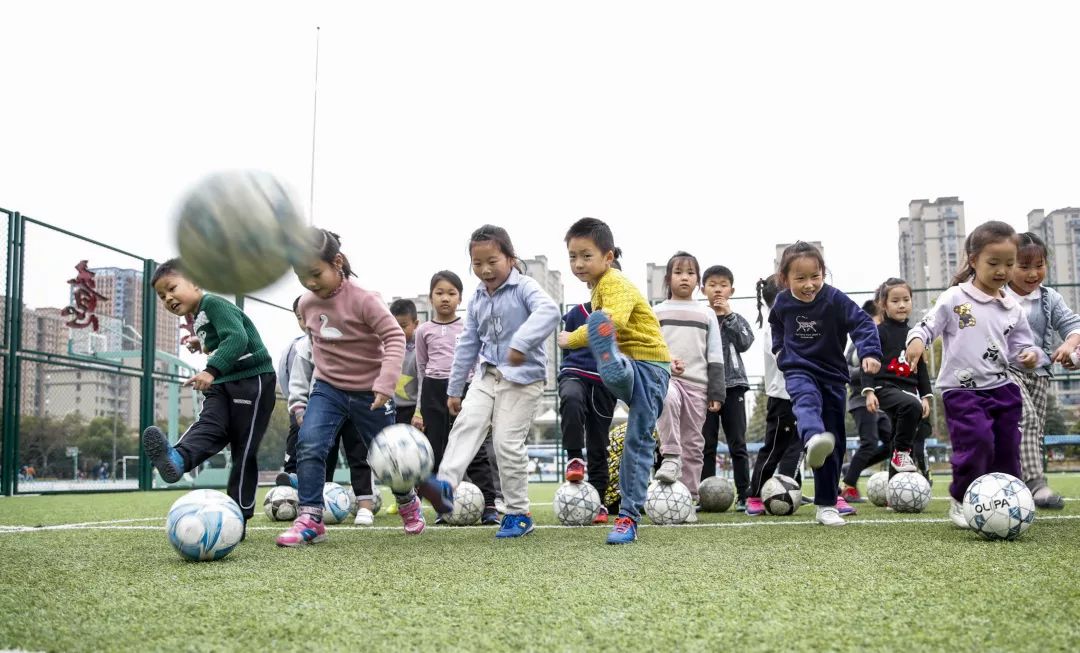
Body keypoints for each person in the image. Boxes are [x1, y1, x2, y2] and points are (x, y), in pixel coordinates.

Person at [276, 229, 443, 547]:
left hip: (371, 394)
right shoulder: (309, 304)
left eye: (315, 274)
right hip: (328, 389)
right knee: (309, 444)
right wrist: (308, 396)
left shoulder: (365, 300)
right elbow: (318, 348)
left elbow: (395, 338)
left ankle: (407, 501)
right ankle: (311, 516)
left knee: (390, 459)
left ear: (336, 262)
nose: (310, 283)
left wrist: (385, 384)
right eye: (301, 276)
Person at [907, 221, 1047, 528]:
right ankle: (961, 498)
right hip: (961, 390)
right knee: (978, 441)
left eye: (1009, 264)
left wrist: (1030, 355)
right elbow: (928, 325)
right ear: (973, 261)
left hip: (1002, 387)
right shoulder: (955, 298)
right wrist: (917, 341)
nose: (1002, 271)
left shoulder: (1012, 307)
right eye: (993, 263)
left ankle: (1009, 503)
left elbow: (1022, 344)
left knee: (1008, 446)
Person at [430, 226, 560, 539]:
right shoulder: (476, 298)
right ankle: (446, 484)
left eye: (493, 261)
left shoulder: (525, 287)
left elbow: (550, 311)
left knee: (505, 443)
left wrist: (521, 343)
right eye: (477, 263)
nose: (485, 269)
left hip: (524, 379)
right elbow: (468, 344)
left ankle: (518, 513)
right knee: (466, 423)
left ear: (511, 259)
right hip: (488, 375)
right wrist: (454, 388)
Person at [142, 258, 275, 538]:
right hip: (223, 382)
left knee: (243, 448)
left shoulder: (214, 303)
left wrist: (211, 369)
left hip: (252, 380)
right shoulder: (198, 315)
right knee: (209, 426)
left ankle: (239, 514)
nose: (167, 298)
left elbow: (236, 338)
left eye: (171, 288)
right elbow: (218, 338)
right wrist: (200, 343)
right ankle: (177, 459)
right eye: (161, 296)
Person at [559, 217, 671, 544]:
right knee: (616, 371)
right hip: (629, 365)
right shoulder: (598, 288)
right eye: (572, 256)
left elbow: (615, 320)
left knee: (637, 440)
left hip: (650, 365)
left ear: (608, 257)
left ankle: (628, 518)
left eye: (586, 256)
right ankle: (611, 363)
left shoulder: (615, 282)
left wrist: (574, 339)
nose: (578, 263)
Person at [769, 242, 881, 527]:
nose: (809, 285)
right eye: (801, 278)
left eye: (815, 276)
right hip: (798, 368)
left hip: (832, 376)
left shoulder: (834, 299)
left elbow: (863, 324)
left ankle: (826, 505)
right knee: (805, 400)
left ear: (823, 273)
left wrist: (869, 351)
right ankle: (811, 438)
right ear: (785, 278)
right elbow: (777, 328)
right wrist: (781, 352)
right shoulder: (782, 303)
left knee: (835, 443)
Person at [413, 270, 500, 525]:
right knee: (437, 451)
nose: (445, 298)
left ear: (460, 299)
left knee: (475, 448)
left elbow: (478, 361)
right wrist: (419, 409)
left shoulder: (467, 327)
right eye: (439, 293)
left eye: (451, 293)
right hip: (432, 390)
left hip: (466, 388)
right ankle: (443, 507)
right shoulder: (423, 331)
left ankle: (490, 506)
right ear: (430, 298)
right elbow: (420, 370)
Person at [284, 307, 379, 526]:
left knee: (360, 453)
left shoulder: (352, 338)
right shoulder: (304, 346)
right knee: (320, 453)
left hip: (356, 402)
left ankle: (365, 505)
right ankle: (316, 506)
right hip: (324, 406)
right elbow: (298, 381)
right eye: (302, 317)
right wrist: (299, 409)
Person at [1003, 232, 1078, 509]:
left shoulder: (1049, 298)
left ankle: (1021, 483)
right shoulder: (997, 296)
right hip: (1005, 371)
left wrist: (1069, 346)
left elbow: (1072, 325)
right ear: (1008, 265)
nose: (1033, 273)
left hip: (1040, 375)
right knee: (1027, 419)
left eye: (1039, 265)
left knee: (1034, 431)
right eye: (1024, 266)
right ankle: (1035, 483)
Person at [652, 252, 724, 521]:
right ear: (668, 278)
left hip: (698, 386)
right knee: (667, 399)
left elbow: (715, 355)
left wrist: (717, 391)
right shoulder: (656, 311)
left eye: (691, 273)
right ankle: (670, 456)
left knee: (694, 443)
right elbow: (651, 348)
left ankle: (689, 499)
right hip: (666, 379)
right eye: (679, 272)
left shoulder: (706, 314)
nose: (685, 277)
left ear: (698, 281)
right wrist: (666, 363)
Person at [863, 278, 933, 482]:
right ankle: (901, 452)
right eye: (895, 301)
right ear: (884, 304)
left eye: (906, 299)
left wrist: (926, 397)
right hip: (884, 388)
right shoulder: (878, 332)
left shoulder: (916, 335)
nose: (902, 305)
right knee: (911, 407)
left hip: (909, 392)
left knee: (899, 433)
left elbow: (921, 369)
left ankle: (894, 489)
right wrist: (868, 391)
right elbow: (867, 362)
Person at [745, 275, 804, 516]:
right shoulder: (773, 329)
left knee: (798, 446)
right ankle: (754, 494)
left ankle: (788, 488)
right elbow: (785, 361)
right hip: (782, 399)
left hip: (800, 395)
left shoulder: (791, 324)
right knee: (774, 448)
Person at [558, 294, 618, 523]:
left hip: (606, 383)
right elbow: (566, 351)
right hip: (574, 374)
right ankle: (574, 459)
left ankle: (599, 501)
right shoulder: (575, 314)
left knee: (598, 443)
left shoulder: (622, 315)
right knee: (571, 399)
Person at [699, 264, 753, 510]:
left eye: (722, 285)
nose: (718, 290)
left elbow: (745, 342)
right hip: (704, 388)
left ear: (731, 289)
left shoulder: (736, 318)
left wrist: (728, 316)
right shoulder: (700, 317)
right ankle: (704, 495)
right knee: (705, 444)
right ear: (703, 289)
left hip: (734, 386)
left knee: (737, 443)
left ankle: (745, 494)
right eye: (712, 285)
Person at [839, 300, 891, 507]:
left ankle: (850, 468)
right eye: (879, 318)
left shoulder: (881, 338)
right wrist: (866, 371)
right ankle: (849, 485)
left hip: (880, 401)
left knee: (891, 442)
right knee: (869, 442)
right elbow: (845, 369)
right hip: (861, 400)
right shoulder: (858, 342)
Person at [389, 299, 420, 425]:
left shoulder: (420, 349)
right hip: (390, 408)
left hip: (412, 410)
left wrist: (419, 412)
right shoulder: (386, 346)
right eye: (394, 326)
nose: (398, 331)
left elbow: (423, 383)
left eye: (403, 326)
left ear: (415, 324)